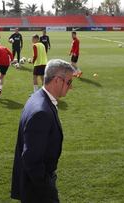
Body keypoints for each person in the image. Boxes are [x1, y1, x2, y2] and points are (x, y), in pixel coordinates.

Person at [11, 59, 75, 203]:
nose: (71, 87)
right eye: (69, 82)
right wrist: (47, 187)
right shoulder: (41, 112)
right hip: (37, 191)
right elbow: (31, 159)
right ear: (57, 80)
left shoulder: (38, 97)